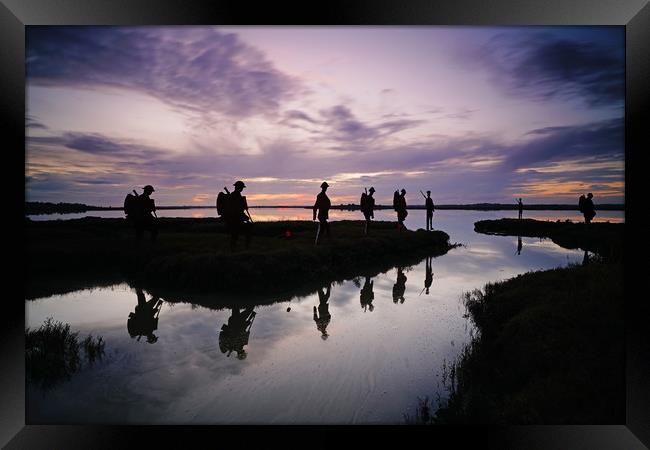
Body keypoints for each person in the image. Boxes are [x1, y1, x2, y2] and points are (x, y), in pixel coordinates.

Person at [226, 181, 252, 250]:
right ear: (238, 187)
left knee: (236, 234)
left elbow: (240, 209)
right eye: (241, 187)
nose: (242, 189)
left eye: (242, 188)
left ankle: (238, 247)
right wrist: (245, 217)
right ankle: (244, 247)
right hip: (234, 219)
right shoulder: (234, 196)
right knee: (237, 234)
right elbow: (235, 210)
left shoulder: (238, 195)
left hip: (237, 219)